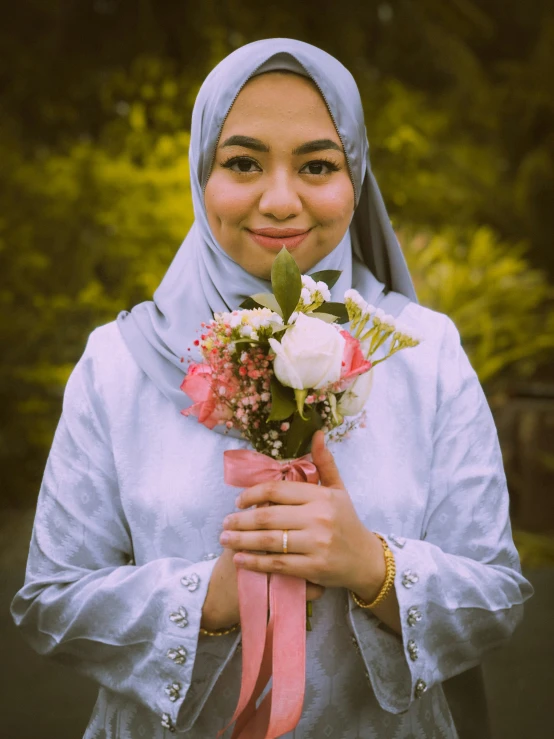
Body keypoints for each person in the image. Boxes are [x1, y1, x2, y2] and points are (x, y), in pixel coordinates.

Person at [10, 38, 533, 739]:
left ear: (358, 179)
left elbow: (495, 594)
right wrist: (205, 601)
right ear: (203, 176)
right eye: (243, 162)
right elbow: (51, 598)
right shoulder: (119, 363)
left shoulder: (426, 354)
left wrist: (372, 566)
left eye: (317, 164)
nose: (280, 199)